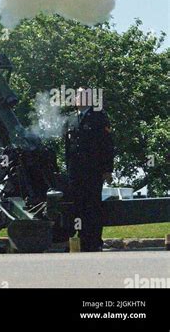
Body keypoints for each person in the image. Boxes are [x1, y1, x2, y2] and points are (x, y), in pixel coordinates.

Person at [64, 88, 115, 252]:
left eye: (81, 95)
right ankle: (78, 239)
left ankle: (93, 241)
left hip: (93, 170)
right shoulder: (71, 119)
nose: (77, 98)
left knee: (92, 206)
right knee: (77, 205)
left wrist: (107, 169)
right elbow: (67, 148)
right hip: (75, 172)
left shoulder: (99, 117)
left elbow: (107, 144)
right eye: (77, 95)